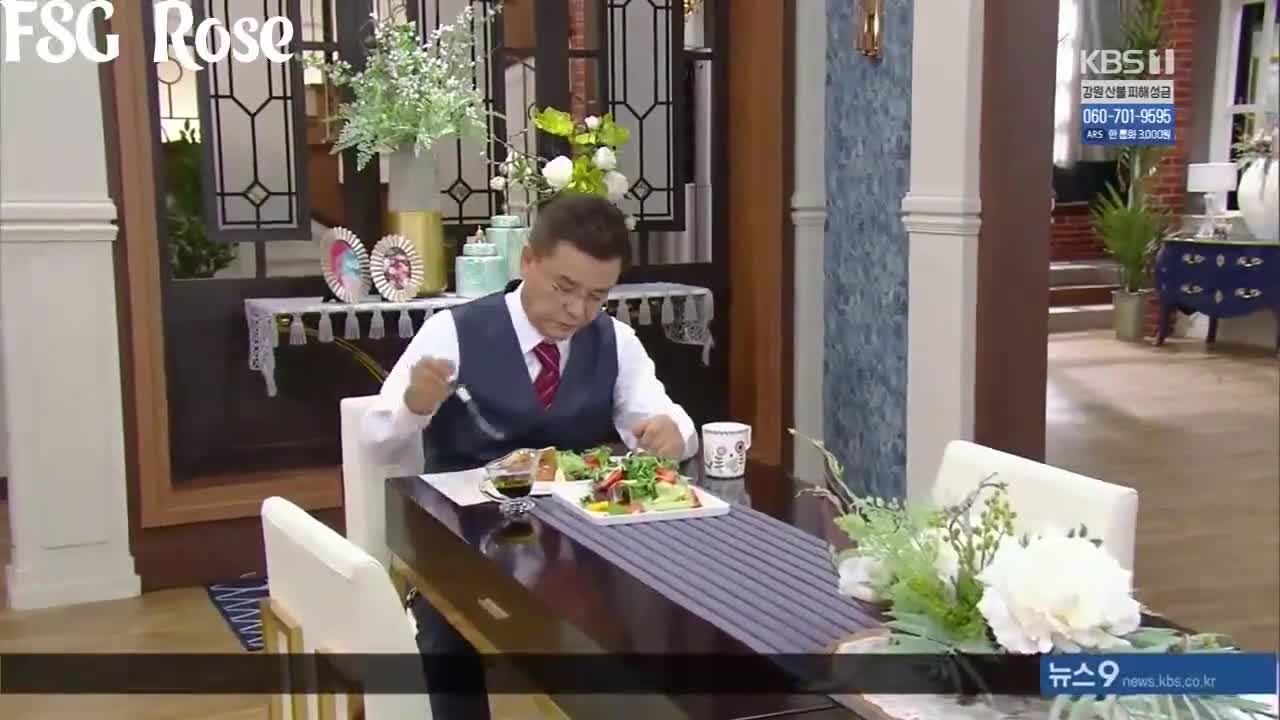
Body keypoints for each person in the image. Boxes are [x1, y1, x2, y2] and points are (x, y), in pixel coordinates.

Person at [361, 192, 699, 719]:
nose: (577, 311)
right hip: (466, 543)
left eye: (597, 296)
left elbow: (665, 419)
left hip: (580, 549)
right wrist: (414, 405)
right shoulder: (454, 331)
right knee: (447, 647)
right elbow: (377, 439)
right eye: (564, 288)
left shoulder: (615, 341)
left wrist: (673, 433)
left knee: (655, 624)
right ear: (527, 261)